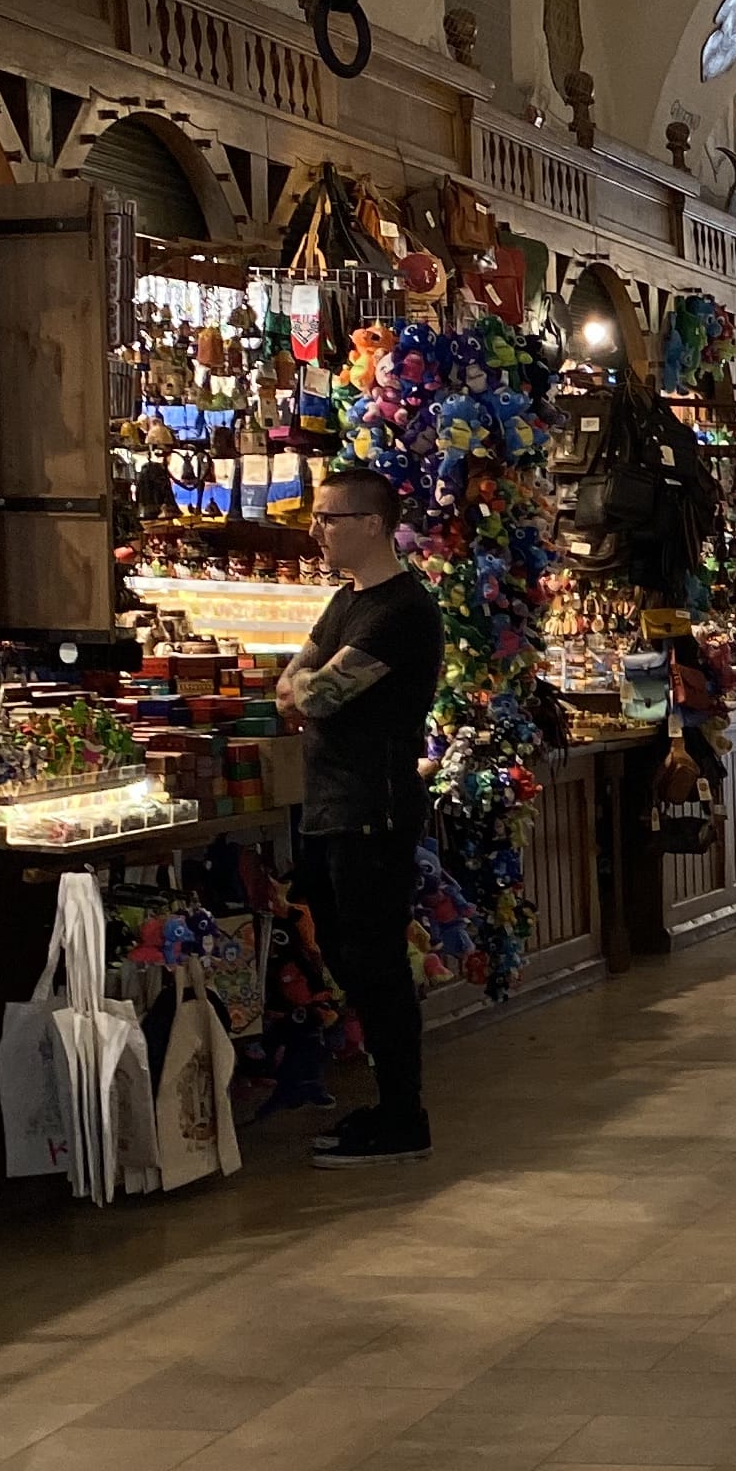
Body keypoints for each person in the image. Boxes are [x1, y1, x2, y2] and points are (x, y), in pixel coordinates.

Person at [280, 464, 445, 1165]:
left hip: (373, 810)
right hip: (331, 806)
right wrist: (306, 687)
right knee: (347, 956)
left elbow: (315, 696)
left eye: (329, 518)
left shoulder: (401, 610)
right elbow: (290, 685)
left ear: (372, 524)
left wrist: (308, 688)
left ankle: (404, 1115)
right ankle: (390, 1106)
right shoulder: (346, 601)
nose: (316, 531)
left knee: (376, 964)